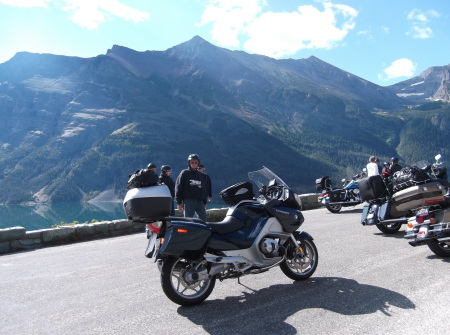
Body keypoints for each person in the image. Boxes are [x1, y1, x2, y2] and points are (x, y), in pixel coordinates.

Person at [175, 154, 207, 221]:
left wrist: (204, 202)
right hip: (188, 201)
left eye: (196, 162)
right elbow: (178, 187)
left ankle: (201, 232)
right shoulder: (184, 173)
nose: (194, 164)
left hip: (200, 202)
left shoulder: (201, 175)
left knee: (203, 220)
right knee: (188, 221)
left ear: (198, 163)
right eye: (192, 162)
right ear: (189, 163)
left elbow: (203, 190)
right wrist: (179, 202)